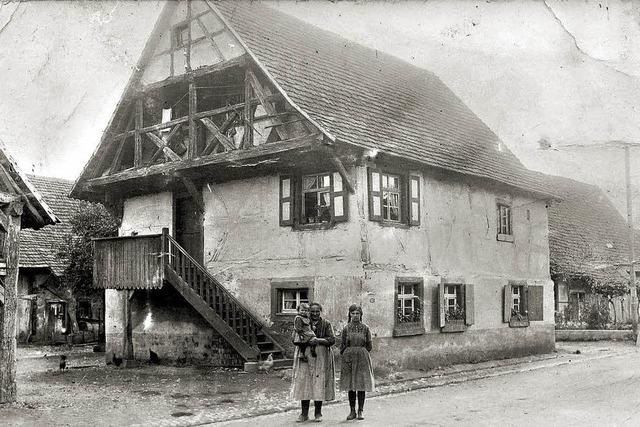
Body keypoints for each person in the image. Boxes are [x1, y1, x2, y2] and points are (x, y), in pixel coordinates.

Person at [291, 302, 336, 423]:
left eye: (317, 311)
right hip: (305, 355)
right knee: (304, 383)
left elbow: (331, 340)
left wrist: (318, 340)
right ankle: (304, 414)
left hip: (320, 356)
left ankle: (318, 413)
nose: (315, 314)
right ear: (308, 312)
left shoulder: (326, 324)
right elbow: (294, 337)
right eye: (312, 311)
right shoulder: (302, 321)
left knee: (318, 383)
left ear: (320, 312)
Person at [340, 304, 374, 421]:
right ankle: (352, 411)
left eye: (357, 313)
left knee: (361, 385)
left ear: (361, 315)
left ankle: (360, 410)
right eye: (353, 313)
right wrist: (348, 355)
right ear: (349, 314)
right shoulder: (346, 328)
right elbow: (342, 346)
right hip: (348, 358)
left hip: (362, 358)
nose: (355, 316)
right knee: (351, 386)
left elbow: (369, 346)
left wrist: (360, 352)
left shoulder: (365, 328)